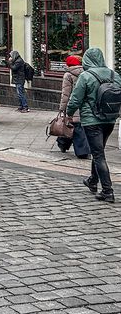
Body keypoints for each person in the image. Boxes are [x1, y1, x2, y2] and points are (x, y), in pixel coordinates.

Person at [67, 47, 121, 203]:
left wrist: (69, 113)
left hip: (92, 121)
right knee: (98, 150)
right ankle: (92, 180)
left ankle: (107, 191)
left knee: (98, 154)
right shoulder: (114, 75)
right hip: (110, 119)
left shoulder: (85, 76)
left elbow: (76, 99)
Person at [57, 55, 90, 158]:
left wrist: (62, 107)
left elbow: (65, 93)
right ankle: (66, 145)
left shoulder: (68, 75)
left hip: (73, 104)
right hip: (85, 104)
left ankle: (79, 151)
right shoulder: (87, 73)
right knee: (79, 126)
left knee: (70, 124)